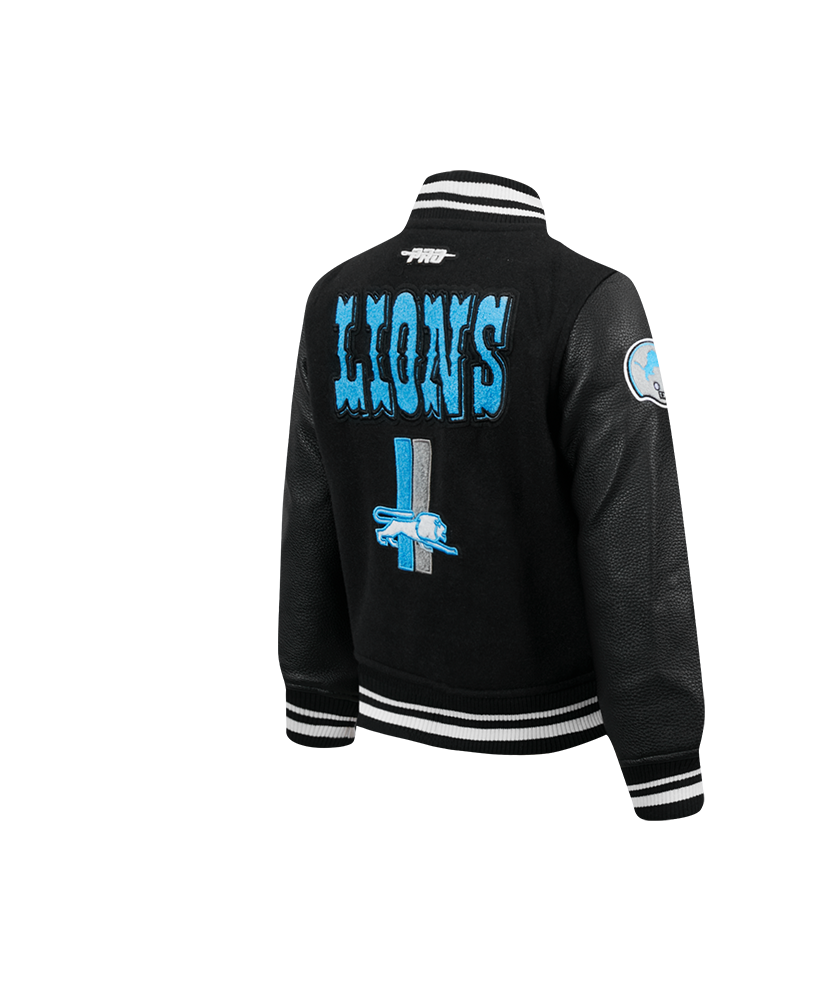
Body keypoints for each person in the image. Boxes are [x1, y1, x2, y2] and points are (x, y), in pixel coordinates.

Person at [278, 170, 704, 820]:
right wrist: (671, 759)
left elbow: (310, 516)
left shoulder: (334, 297)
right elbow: (634, 545)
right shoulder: (584, 297)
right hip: (542, 735)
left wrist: (309, 704)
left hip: (380, 721)